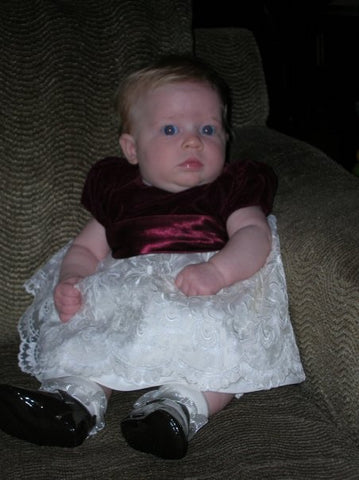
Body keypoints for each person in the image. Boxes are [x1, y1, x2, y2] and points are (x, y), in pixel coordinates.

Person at [0, 55, 305, 459]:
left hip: (204, 294)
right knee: (87, 331)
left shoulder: (231, 188)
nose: (194, 140)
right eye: (171, 129)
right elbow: (86, 249)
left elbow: (254, 235)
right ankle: (73, 402)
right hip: (127, 297)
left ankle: (179, 408)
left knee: (225, 350)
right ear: (132, 148)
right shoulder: (120, 195)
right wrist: (71, 279)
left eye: (208, 128)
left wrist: (218, 271)